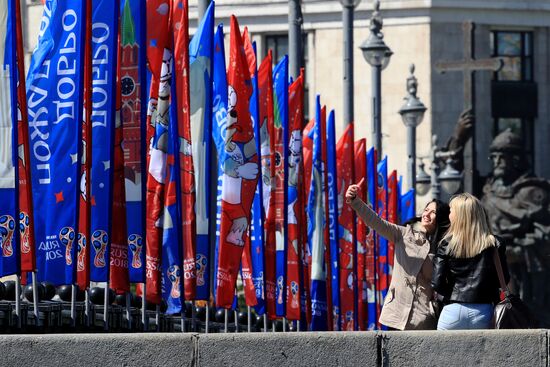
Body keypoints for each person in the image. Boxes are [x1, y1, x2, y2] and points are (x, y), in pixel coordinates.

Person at [346, 181, 450, 330]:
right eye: (426, 209)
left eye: (433, 212)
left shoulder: (443, 246)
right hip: (396, 313)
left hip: (423, 318)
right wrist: (355, 201)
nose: (426, 214)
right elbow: (376, 222)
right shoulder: (404, 234)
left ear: (440, 218)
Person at [432, 193, 509, 330]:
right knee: (482, 352)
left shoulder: (447, 244)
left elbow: (437, 282)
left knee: (443, 351)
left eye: (451, 211)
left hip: (453, 310)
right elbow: (503, 279)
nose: (449, 215)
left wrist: (452, 293)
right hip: (484, 311)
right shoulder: (495, 243)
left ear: (459, 216)